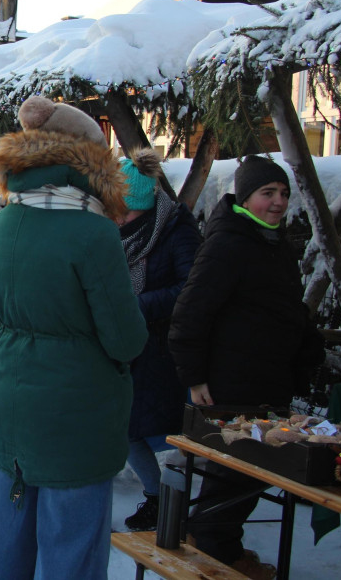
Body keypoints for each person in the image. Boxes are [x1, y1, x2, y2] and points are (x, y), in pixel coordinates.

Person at [0, 96, 147, 580]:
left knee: (5, 546)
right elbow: (125, 339)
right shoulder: (93, 233)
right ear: (88, 160)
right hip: (77, 420)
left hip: (11, 410)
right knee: (72, 553)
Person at [169, 155, 325, 578]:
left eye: (283, 194)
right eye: (267, 193)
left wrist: (309, 348)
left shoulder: (271, 241)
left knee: (252, 472)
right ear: (245, 197)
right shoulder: (229, 243)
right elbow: (190, 313)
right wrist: (195, 377)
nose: (278, 203)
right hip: (231, 383)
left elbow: (283, 308)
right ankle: (216, 551)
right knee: (235, 472)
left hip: (267, 378)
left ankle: (219, 543)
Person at [115, 148, 201, 531]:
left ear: (144, 207)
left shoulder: (176, 229)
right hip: (129, 345)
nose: (117, 219)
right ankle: (159, 497)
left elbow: (190, 289)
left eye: (124, 212)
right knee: (126, 427)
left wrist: (137, 305)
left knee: (162, 435)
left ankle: (173, 507)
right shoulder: (119, 231)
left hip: (162, 347)